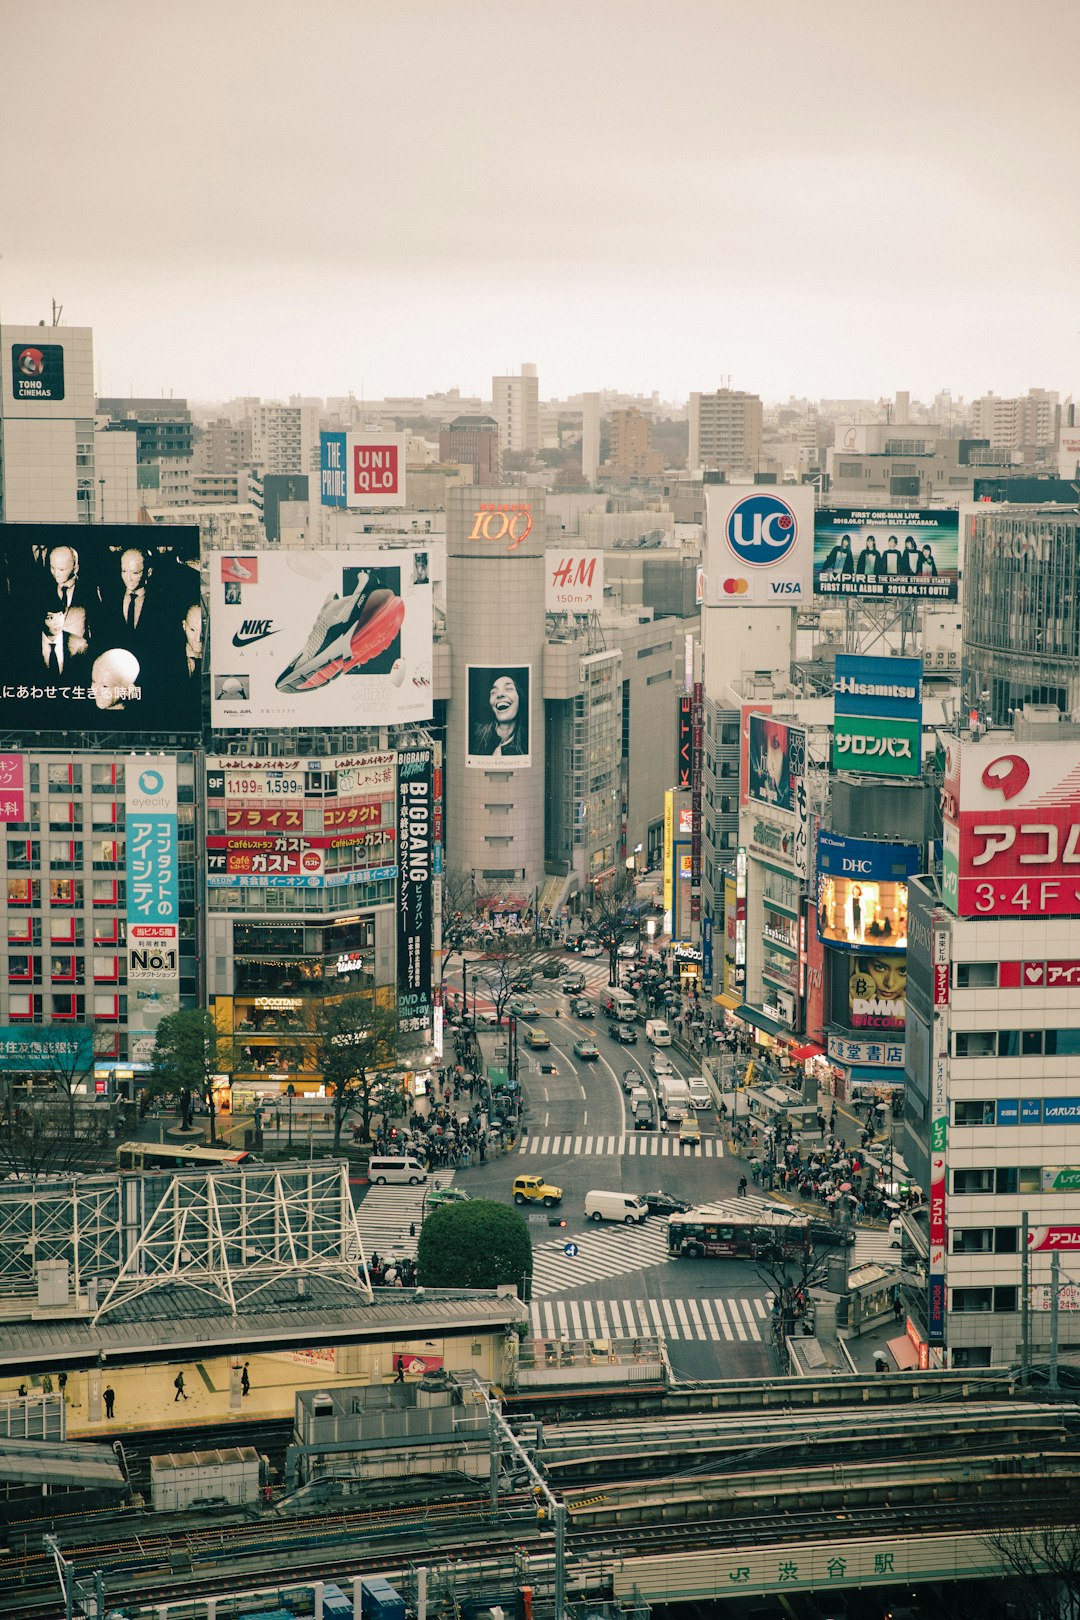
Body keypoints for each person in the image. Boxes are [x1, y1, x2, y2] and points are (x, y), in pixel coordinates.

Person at [470, 671, 528, 758]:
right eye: (494, 692)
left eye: (508, 689)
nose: (500, 694)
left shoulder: (528, 740)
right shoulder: (475, 735)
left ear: (520, 697)